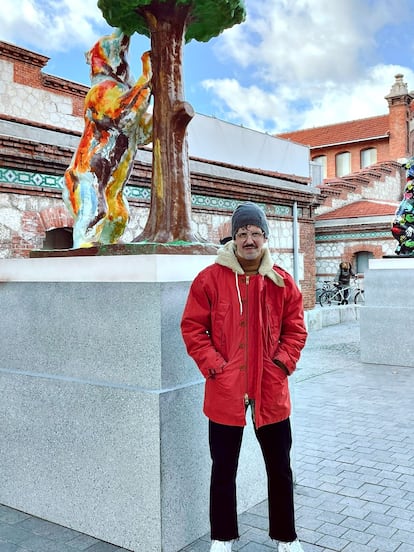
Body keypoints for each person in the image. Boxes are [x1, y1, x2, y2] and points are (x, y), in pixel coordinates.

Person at [181, 202, 308, 552]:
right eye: (242, 233)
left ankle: (286, 537)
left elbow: (296, 330)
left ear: (265, 237)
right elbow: (193, 329)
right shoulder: (210, 279)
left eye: (255, 233)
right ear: (233, 239)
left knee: (280, 468)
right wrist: (216, 368)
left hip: (270, 389)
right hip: (226, 390)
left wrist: (280, 365)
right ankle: (222, 537)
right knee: (223, 469)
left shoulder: (281, 281)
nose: (249, 239)